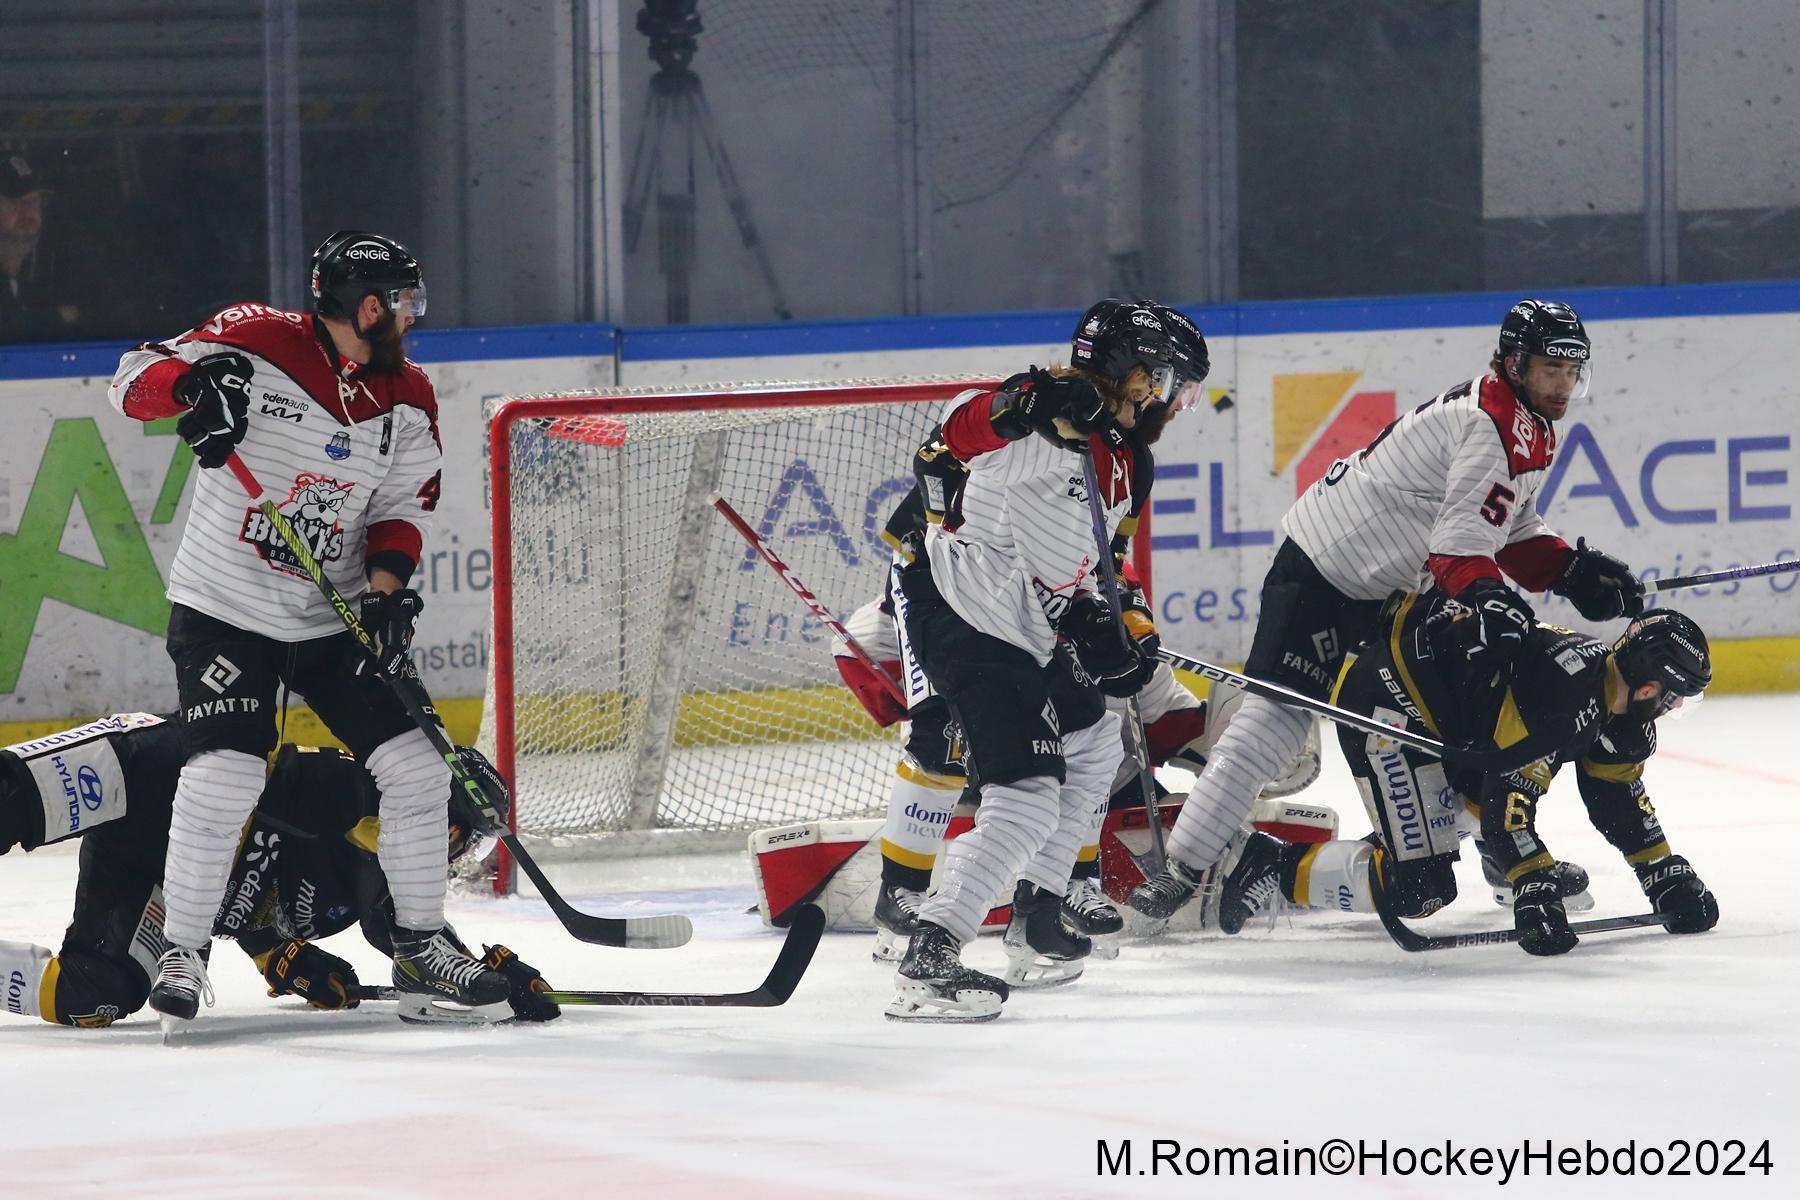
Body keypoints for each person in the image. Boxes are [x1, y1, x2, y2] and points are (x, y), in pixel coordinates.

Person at [1130, 298, 1648, 921]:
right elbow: (1458, 549)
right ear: (1513, 364)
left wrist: (1568, 568)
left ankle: (1501, 849)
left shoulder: (1525, 420)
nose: (1562, 385)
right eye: (1549, 370)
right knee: (1274, 725)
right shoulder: (1490, 424)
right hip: (1324, 574)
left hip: (1396, 589)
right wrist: (1490, 595)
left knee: (1460, 710)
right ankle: (1185, 868)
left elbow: (1502, 525)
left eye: (1572, 372)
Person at [105, 230, 507, 1025]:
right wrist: (192, 393)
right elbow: (133, 378)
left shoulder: (410, 394)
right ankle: (183, 949)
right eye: (404, 302)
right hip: (227, 611)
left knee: (420, 769)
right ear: (367, 305)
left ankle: (422, 944)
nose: (412, 316)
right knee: (227, 774)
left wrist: (387, 595)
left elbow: (398, 510)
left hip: (334, 618)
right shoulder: (256, 337)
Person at [884, 298, 1210, 1022]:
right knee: (1026, 795)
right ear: (1130, 372)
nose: (1168, 403)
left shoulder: (1131, 461)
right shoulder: (1037, 422)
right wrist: (1021, 400)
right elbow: (941, 451)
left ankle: (1039, 913)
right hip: (968, 616)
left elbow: (1109, 562)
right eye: (1164, 383)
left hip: (1039, 626)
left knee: (1095, 742)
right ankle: (928, 955)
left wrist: (1125, 625)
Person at [1211, 598, 1718, 955]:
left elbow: (1618, 799)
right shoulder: (1563, 700)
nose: (1672, 709)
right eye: (1676, 699)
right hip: (1393, 711)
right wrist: (1533, 878)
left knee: (1480, 801)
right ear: (1652, 689)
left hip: (1457, 722)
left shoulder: (1613, 708)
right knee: (1419, 887)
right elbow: (1508, 797)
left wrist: (1662, 872)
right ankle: (1273, 864)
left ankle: (1503, 864)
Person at [0, 713, 558, 1026]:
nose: (457, 858)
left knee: (98, 992)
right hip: (159, 773)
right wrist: (268, 944)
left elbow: (420, 952)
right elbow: (259, 813)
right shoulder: (354, 790)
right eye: (462, 837)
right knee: (9, 801)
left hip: (154, 874)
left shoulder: (385, 885)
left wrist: (495, 982)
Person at [0, 153, 79, 343]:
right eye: (15, 201)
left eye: (33, 201)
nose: (27, 211)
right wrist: (55, 317)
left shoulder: (51, 270)